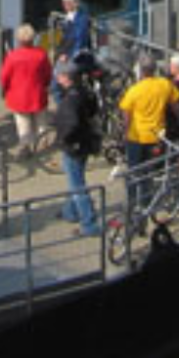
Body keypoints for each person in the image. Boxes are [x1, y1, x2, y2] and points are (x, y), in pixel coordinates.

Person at [118, 57, 179, 215]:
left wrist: (124, 133)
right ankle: (147, 203)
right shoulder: (164, 84)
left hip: (136, 137)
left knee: (133, 171)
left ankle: (132, 204)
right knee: (148, 172)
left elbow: (126, 114)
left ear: (140, 71)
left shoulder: (134, 90)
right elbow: (175, 105)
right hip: (156, 137)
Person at [51, 61, 101, 234]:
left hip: (74, 146)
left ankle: (89, 224)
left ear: (66, 78)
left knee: (77, 185)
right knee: (76, 177)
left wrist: (62, 139)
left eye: (59, 76)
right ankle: (70, 212)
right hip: (86, 142)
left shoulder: (70, 99)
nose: (57, 78)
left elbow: (71, 124)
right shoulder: (85, 91)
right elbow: (94, 110)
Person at [0, 25, 52, 154]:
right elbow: (48, 74)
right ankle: (43, 143)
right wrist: (45, 85)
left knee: (23, 125)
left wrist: (5, 90)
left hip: (18, 97)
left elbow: (4, 77)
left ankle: (26, 147)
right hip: (38, 94)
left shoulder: (12, 56)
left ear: (18, 40)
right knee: (41, 122)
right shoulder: (41, 54)